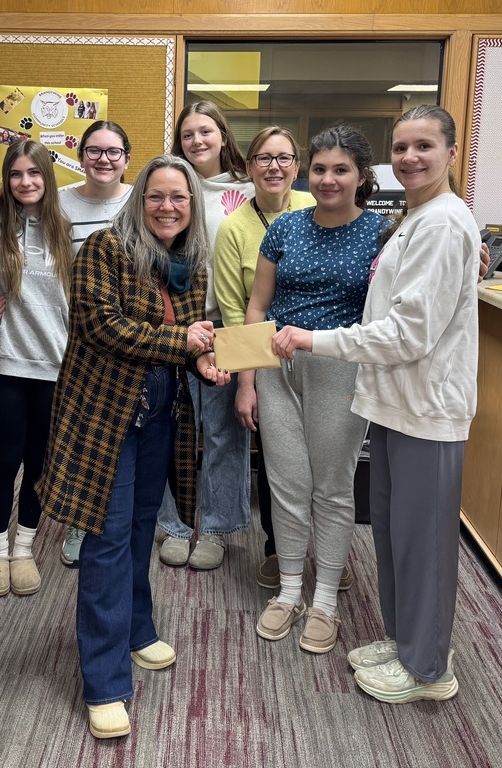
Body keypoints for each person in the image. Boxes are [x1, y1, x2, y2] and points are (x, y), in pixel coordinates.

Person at [273, 105, 481, 701]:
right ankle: (405, 640)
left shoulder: (442, 224)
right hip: (392, 403)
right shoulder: (417, 219)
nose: (410, 158)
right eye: (402, 148)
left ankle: (428, 669)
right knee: (394, 532)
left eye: (424, 147)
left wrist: (314, 339)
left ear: (450, 151)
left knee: (424, 541)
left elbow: (406, 332)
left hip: (425, 409)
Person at [37, 155, 228, 739]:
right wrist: (183, 342)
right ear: (137, 200)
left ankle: (137, 629)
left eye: (180, 197)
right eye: (156, 196)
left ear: (192, 205)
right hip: (104, 420)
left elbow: (195, 335)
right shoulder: (103, 250)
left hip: (160, 418)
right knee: (106, 538)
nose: (168, 207)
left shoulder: (188, 263)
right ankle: (104, 680)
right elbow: (102, 326)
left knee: (144, 528)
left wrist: (207, 359)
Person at [242, 125, 385, 655]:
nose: (328, 179)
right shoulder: (286, 227)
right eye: (320, 169)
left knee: (331, 485)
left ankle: (325, 598)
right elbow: (257, 307)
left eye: (341, 169)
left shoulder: (382, 233)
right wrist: (247, 380)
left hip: (338, 369)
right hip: (277, 368)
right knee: (286, 482)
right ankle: (289, 592)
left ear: (361, 177)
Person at [0, 140, 73, 598]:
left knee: (39, 463)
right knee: (5, 460)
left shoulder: (65, 224)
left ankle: (24, 548)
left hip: (57, 365)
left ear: (47, 176)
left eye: (34, 173)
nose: (25, 182)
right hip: (6, 361)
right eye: (15, 174)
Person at [213, 125, 316, 590]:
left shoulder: (316, 210)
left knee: (326, 464)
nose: (274, 167)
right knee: (278, 462)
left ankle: (325, 551)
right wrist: (247, 383)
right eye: (263, 159)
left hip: (321, 352)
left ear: (297, 166)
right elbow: (238, 312)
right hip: (267, 360)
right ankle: (279, 550)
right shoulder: (234, 228)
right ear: (249, 166)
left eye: (283, 158)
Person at [157, 100, 254, 571]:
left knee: (222, 433)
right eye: (188, 133)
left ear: (223, 135)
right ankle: (174, 525)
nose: (197, 140)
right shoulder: (171, 185)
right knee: (172, 429)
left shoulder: (249, 187)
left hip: (229, 324)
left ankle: (216, 528)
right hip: (175, 326)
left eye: (206, 131)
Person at [55, 121, 133, 566]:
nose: (104, 159)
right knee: (85, 436)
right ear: (81, 155)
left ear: (126, 157)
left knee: (123, 439)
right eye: (94, 150)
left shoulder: (139, 200)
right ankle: (79, 523)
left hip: (128, 335)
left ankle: (126, 522)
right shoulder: (59, 200)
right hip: (77, 337)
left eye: (113, 151)